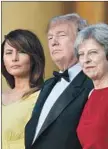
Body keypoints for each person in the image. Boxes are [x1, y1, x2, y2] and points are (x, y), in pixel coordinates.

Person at [25, 13, 93, 149]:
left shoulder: (91, 84)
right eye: (50, 37)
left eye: (61, 35)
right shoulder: (47, 85)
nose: (53, 42)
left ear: (82, 41)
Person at [1, 29, 45, 149]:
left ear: (34, 57)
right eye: (9, 52)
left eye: (21, 52)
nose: (14, 58)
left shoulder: (43, 97)